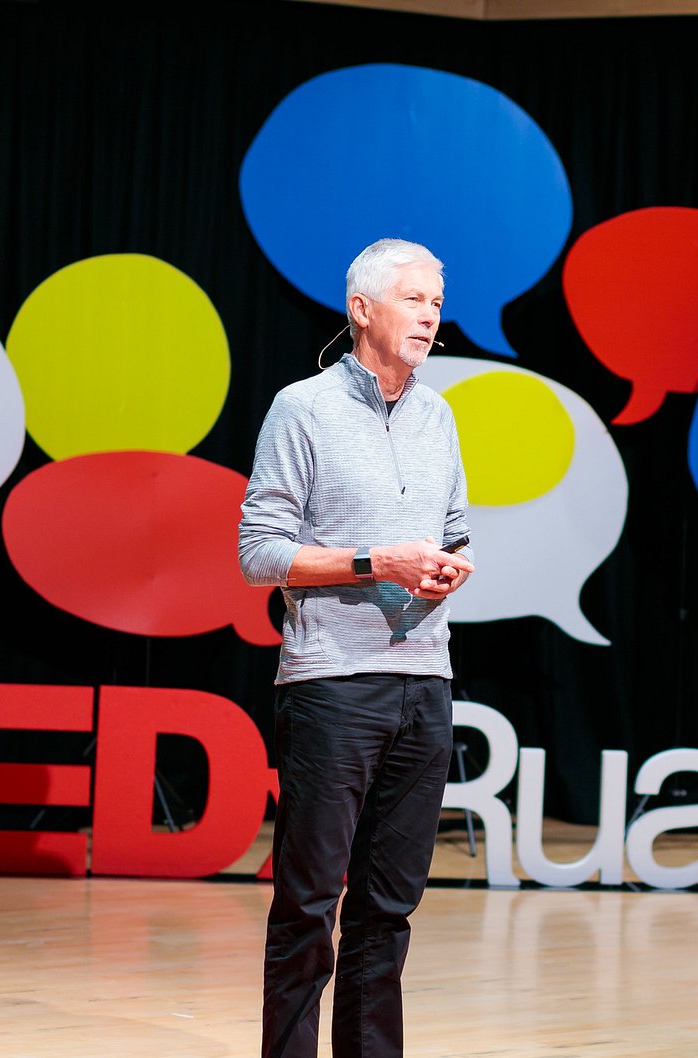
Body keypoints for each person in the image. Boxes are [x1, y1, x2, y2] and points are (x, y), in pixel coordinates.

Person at [238, 237, 475, 1058]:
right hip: (333, 684)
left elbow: (453, 531)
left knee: (389, 909)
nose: (430, 315)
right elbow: (259, 554)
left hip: (425, 679)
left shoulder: (439, 415)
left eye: (436, 302)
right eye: (414, 298)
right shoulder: (302, 409)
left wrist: (448, 567)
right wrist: (380, 562)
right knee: (309, 904)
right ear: (361, 309)